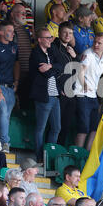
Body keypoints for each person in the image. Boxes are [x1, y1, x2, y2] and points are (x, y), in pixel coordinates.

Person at [73, 33, 103, 150]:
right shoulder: (88, 54)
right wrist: (84, 84)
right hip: (82, 93)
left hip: (93, 95)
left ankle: (87, 153)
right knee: (83, 127)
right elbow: (81, 71)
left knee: (94, 127)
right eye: (95, 42)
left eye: (99, 43)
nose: (96, 44)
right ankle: (78, 153)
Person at [29, 27, 62, 162]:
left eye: (51, 37)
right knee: (41, 128)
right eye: (47, 38)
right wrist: (53, 68)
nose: (50, 40)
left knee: (56, 127)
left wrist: (50, 66)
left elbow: (61, 65)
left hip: (55, 95)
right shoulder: (36, 53)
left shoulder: (52, 50)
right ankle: (40, 158)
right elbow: (48, 73)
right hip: (44, 96)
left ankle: (49, 157)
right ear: (39, 40)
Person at [0, 20, 20, 153]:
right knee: (2, 112)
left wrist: (17, 82)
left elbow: (17, 64)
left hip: (10, 87)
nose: (13, 33)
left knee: (6, 116)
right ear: (1, 32)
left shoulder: (14, 46)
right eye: (9, 31)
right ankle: (4, 143)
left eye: (13, 31)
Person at [51, 21, 78, 146]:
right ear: (59, 33)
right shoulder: (53, 47)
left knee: (66, 125)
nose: (68, 35)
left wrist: (75, 56)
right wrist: (59, 87)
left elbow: (78, 69)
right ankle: (51, 150)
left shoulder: (72, 50)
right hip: (59, 92)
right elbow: (52, 70)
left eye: (70, 33)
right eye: (65, 32)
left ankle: (60, 150)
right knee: (56, 126)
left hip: (71, 92)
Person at [8, 3, 33, 110]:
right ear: (13, 14)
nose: (24, 15)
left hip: (27, 68)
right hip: (14, 69)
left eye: (25, 13)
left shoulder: (25, 29)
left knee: (25, 99)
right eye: (21, 13)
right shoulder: (8, 29)